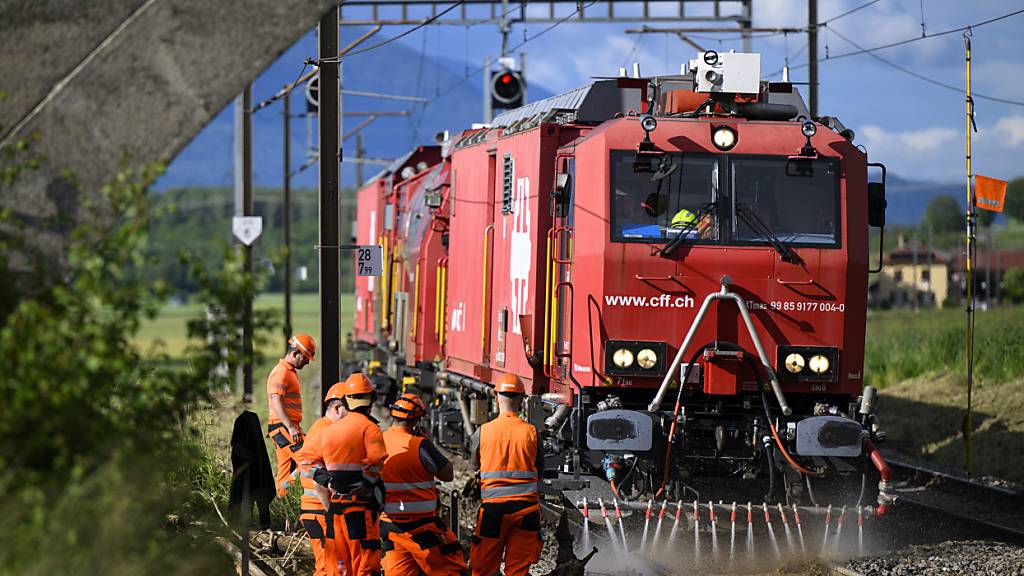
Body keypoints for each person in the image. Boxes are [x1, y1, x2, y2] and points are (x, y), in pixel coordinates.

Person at [310, 373, 389, 576]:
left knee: (338, 564)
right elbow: (377, 459)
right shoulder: (370, 428)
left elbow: (307, 460)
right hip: (360, 508)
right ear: (371, 399)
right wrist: (367, 483)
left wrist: (328, 481)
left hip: (336, 507)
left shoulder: (329, 431)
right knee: (364, 560)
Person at [380, 393, 467, 576]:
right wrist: (429, 444)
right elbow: (447, 474)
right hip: (421, 527)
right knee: (451, 567)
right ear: (417, 422)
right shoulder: (419, 445)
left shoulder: (379, 441)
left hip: (390, 526)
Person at [469, 374, 543, 576]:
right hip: (527, 511)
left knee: (483, 568)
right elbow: (540, 469)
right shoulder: (532, 432)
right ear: (522, 399)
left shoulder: (483, 431)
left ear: (496, 397)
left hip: (493, 511)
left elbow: (475, 468)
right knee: (518, 570)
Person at [296, 383, 349, 576]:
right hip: (319, 510)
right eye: (350, 411)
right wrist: (334, 513)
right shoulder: (326, 431)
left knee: (332, 567)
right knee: (327, 568)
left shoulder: (324, 428)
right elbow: (317, 480)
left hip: (317, 509)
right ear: (338, 409)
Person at [267, 333, 316, 498]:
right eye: (306, 358)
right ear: (295, 354)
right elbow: (275, 400)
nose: (307, 362)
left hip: (284, 427)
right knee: (309, 460)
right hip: (283, 427)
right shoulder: (281, 372)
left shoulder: (289, 372)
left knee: (286, 470)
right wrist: (290, 427)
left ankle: (282, 499)